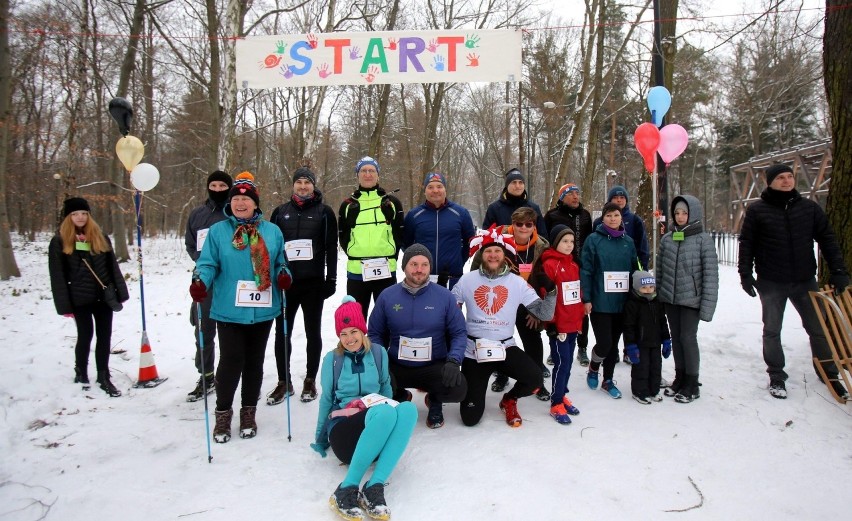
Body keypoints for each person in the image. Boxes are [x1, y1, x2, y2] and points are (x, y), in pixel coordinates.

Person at [190, 172, 292, 443]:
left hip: (263, 309)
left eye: (246, 199)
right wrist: (200, 281)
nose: (240, 203)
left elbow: (281, 262)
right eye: (236, 198)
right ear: (230, 202)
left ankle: (249, 411)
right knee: (231, 360)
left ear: (255, 203)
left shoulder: (272, 231)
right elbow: (207, 263)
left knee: (255, 361)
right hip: (229, 308)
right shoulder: (219, 231)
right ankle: (223, 413)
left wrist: (284, 275)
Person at [738, 163, 850, 400]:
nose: (787, 181)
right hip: (771, 281)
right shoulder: (758, 211)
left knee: (817, 329)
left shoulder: (808, 208)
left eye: (790, 177)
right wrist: (745, 274)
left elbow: (827, 239)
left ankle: (828, 372)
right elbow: (746, 243)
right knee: (772, 331)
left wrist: (838, 270)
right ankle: (777, 376)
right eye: (781, 177)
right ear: (770, 182)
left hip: (804, 280)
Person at [312, 296, 418, 521]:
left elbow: (386, 390)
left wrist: (391, 418)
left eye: (353, 332)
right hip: (344, 432)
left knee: (408, 409)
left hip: (376, 427)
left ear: (363, 331)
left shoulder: (378, 353)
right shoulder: (333, 360)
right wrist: (320, 438)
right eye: (343, 333)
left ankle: (373, 487)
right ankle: (346, 488)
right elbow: (326, 399)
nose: (349, 339)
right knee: (385, 411)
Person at [452, 227, 555, 427]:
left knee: (535, 379)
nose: (492, 255)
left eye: (497, 251)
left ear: (504, 254)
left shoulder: (517, 282)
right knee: (470, 418)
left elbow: (545, 314)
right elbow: (451, 311)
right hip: (474, 351)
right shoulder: (467, 280)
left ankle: (509, 399)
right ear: (481, 254)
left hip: (505, 347)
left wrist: (550, 291)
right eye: (488, 251)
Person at [368, 243, 468, 429]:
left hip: (433, 365)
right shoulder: (388, 296)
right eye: (413, 264)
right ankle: (399, 395)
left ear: (430, 267)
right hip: (397, 364)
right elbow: (375, 333)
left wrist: (454, 360)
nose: (419, 269)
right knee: (371, 382)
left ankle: (435, 399)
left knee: (458, 389)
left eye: (424, 264)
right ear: (404, 266)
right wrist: (379, 361)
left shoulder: (444, 296)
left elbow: (459, 332)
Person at [267, 166, 338, 404]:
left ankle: (310, 379)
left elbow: (330, 248)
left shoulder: (324, 212)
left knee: (312, 332)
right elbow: (272, 248)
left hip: (313, 283)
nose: (303, 187)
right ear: (293, 185)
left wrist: (331, 279)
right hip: (286, 284)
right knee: (282, 332)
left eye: (308, 183)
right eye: (299, 183)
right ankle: (283, 381)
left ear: (314, 186)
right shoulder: (279, 212)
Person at [49, 197, 129, 397]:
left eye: (84, 214)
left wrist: (120, 292)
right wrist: (64, 306)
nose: (80, 217)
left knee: (105, 336)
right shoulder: (59, 241)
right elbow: (57, 276)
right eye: (75, 214)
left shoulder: (100, 236)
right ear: (68, 217)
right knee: (85, 335)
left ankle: (104, 375)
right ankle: (81, 371)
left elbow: (113, 267)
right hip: (79, 299)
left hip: (103, 297)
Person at [473, 207, 551, 399]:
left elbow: (543, 279)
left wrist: (536, 310)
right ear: (512, 224)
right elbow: (476, 268)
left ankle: (537, 381)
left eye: (528, 224)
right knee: (499, 339)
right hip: (499, 299)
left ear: (534, 226)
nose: (523, 228)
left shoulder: (541, 247)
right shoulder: (497, 239)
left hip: (526, 300)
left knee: (532, 338)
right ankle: (501, 375)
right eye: (519, 224)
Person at [656, 195, 719, 403]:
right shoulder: (668, 238)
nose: (680, 217)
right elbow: (660, 270)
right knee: (676, 338)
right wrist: (658, 296)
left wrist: (707, 307)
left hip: (692, 300)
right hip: (670, 299)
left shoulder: (703, 240)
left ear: (693, 214)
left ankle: (692, 382)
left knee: (688, 339)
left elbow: (710, 276)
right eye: (677, 213)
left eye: (684, 213)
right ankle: (680, 377)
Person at [581, 202, 638, 399]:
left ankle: (608, 380)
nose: (613, 219)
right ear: (602, 218)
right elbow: (586, 270)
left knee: (614, 345)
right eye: (609, 215)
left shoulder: (628, 242)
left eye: (616, 215)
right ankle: (594, 366)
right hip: (600, 301)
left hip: (622, 302)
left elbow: (634, 269)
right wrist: (586, 298)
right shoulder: (593, 240)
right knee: (604, 343)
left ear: (621, 217)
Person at [184, 170, 233, 402]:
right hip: (204, 279)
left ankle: (229, 373)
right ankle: (205, 375)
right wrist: (204, 262)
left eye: (222, 186)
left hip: (230, 278)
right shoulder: (197, 214)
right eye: (213, 185)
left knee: (230, 330)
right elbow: (190, 243)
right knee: (203, 328)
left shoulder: (233, 212)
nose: (217, 190)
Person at [338, 156, 404, 319]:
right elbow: (343, 235)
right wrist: (355, 252)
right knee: (356, 319)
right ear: (358, 175)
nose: (368, 174)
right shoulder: (348, 204)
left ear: (378, 175)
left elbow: (399, 233)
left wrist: (391, 257)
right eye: (363, 171)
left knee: (387, 318)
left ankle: (384, 346)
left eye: (372, 171)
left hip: (385, 269)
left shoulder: (391, 202)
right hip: (356, 271)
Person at [531, 225, 585, 424]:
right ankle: (555, 402)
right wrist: (551, 324)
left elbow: (576, 296)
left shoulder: (573, 265)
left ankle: (562, 394)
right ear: (555, 243)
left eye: (571, 241)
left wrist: (580, 320)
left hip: (572, 323)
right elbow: (547, 297)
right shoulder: (549, 264)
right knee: (562, 364)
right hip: (558, 325)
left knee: (569, 363)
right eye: (564, 241)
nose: (569, 245)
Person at [592, 184, 649, 365]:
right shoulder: (598, 224)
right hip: (606, 281)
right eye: (615, 197)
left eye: (622, 197)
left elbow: (642, 248)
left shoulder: (635, 220)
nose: (619, 199)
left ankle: (628, 348)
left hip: (628, 276)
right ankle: (612, 351)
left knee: (629, 317)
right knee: (610, 320)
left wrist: (640, 271)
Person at [544, 183, 594, 367]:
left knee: (581, 305)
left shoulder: (585, 215)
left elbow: (590, 240)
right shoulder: (552, 216)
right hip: (558, 266)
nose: (575, 196)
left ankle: (582, 347)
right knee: (557, 305)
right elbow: (546, 240)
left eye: (577, 193)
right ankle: (554, 347)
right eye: (571, 193)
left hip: (580, 267)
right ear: (562, 197)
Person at [403, 172, 475, 289]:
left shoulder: (460, 213)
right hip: (422, 277)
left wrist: (458, 261)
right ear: (425, 191)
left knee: (451, 307)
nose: (435, 191)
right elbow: (407, 243)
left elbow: (470, 242)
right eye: (430, 187)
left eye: (439, 186)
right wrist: (417, 263)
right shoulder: (414, 215)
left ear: (445, 189)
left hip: (452, 277)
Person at [623, 272, 671, 404]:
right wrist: (630, 345)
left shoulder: (657, 302)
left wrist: (666, 340)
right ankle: (640, 392)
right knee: (642, 368)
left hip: (655, 343)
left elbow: (663, 322)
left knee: (656, 367)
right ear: (637, 288)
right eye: (644, 288)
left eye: (651, 287)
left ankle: (654, 390)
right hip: (640, 344)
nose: (648, 290)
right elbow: (628, 326)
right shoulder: (632, 304)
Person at [482, 168, 547, 237]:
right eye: (514, 182)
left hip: (529, 247)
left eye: (520, 182)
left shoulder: (534, 208)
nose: (517, 186)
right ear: (507, 186)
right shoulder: (494, 208)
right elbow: (486, 235)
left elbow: (543, 236)